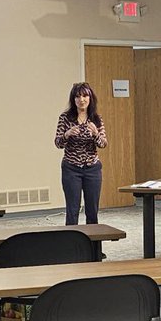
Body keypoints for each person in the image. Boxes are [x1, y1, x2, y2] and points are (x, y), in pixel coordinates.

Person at [54, 82, 107, 225]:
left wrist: (95, 133)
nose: (81, 100)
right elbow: (58, 143)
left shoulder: (96, 118)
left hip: (92, 168)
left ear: (90, 98)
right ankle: (71, 245)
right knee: (72, 210)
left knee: (92, 211)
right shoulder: (65, 118)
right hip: (71, 168)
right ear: (73, 99)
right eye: (77, 97)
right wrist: (67, 134)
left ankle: (93, 246)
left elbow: (103, 144)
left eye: (85, 96)